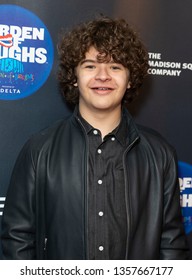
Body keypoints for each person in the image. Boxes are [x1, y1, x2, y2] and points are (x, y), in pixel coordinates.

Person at [1, 16, 189, 260]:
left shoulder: (160, 154)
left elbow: (172, 245)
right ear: (74, 77)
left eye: (115, 66)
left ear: (130, 79)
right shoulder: (39, 150)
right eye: (90, 66)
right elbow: (17, 241)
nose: (103, 76)